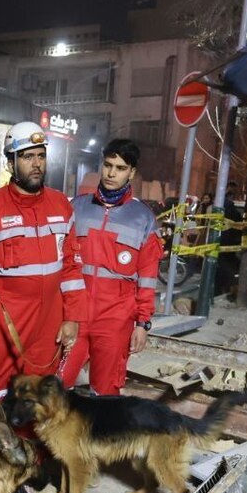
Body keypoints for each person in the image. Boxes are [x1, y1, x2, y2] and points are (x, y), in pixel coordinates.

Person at [0, 121, 84, 400]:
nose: (36, 164)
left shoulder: (61, 205)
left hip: (48, 330)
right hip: (3, 328)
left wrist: (72, 318)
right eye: (27, 157)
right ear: (11, 163)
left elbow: (71, 268)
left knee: (38, 405)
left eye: (41, 156)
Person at [60, 138, 163, 395]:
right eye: (108, 165)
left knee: (105, 395)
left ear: (132, 172)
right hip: (74, 315)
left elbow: (148, 277)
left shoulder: (143, 219)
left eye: (120, 168)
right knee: (55, 387)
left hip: (115, 321)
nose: (111, 173)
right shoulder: (77, 208)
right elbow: (60, 261)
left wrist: (142, 323)